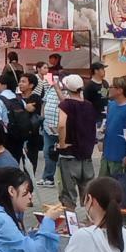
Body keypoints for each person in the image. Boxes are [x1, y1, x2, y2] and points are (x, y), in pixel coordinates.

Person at [55, 74, 98, 206]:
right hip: (86, 153)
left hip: (69, 154)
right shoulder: (88, 105)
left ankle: (70, 223)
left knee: (68, 193)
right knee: (88, 193)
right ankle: (90, 221)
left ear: (67, 88)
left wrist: (62, 144)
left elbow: (61, 125)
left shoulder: (65, 105)